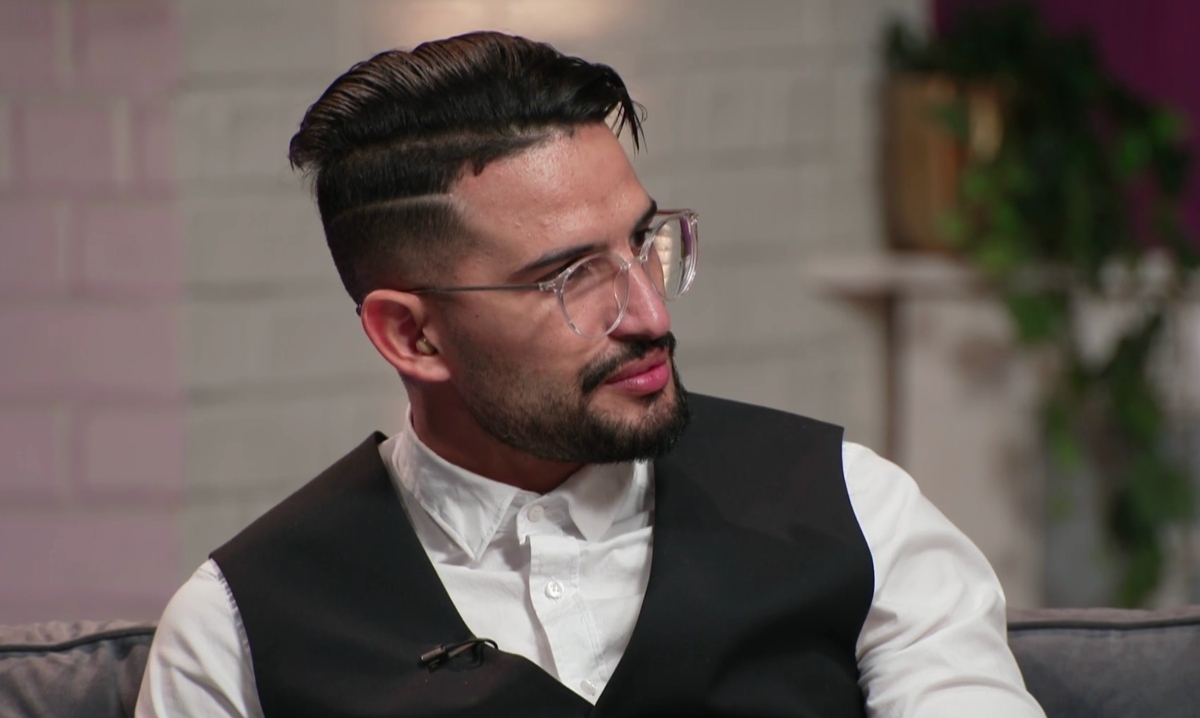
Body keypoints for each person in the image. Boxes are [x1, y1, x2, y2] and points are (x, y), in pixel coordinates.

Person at [135, 31, 1046, 718]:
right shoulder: (236, 634)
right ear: (412, 336)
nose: (649, 315)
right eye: (569, 278)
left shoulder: (855, 510)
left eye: (644, 244)